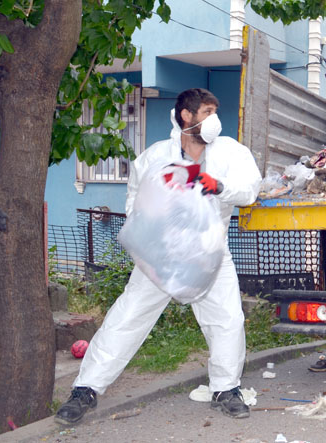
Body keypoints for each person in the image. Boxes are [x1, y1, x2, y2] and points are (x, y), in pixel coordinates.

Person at [56, 88, 262, 425]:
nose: (214, 120)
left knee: (227, 319)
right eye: (207, 112)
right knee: (128, 316)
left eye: (215, 111)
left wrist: (218, 185)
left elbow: (249, 190)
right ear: (187, 116)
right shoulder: (154, 157)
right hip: (163, 254)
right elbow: (134, 203)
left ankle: (226, 389)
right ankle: (85, 389)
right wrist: (147, 243)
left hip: (210, 254)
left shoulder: (231, 152)